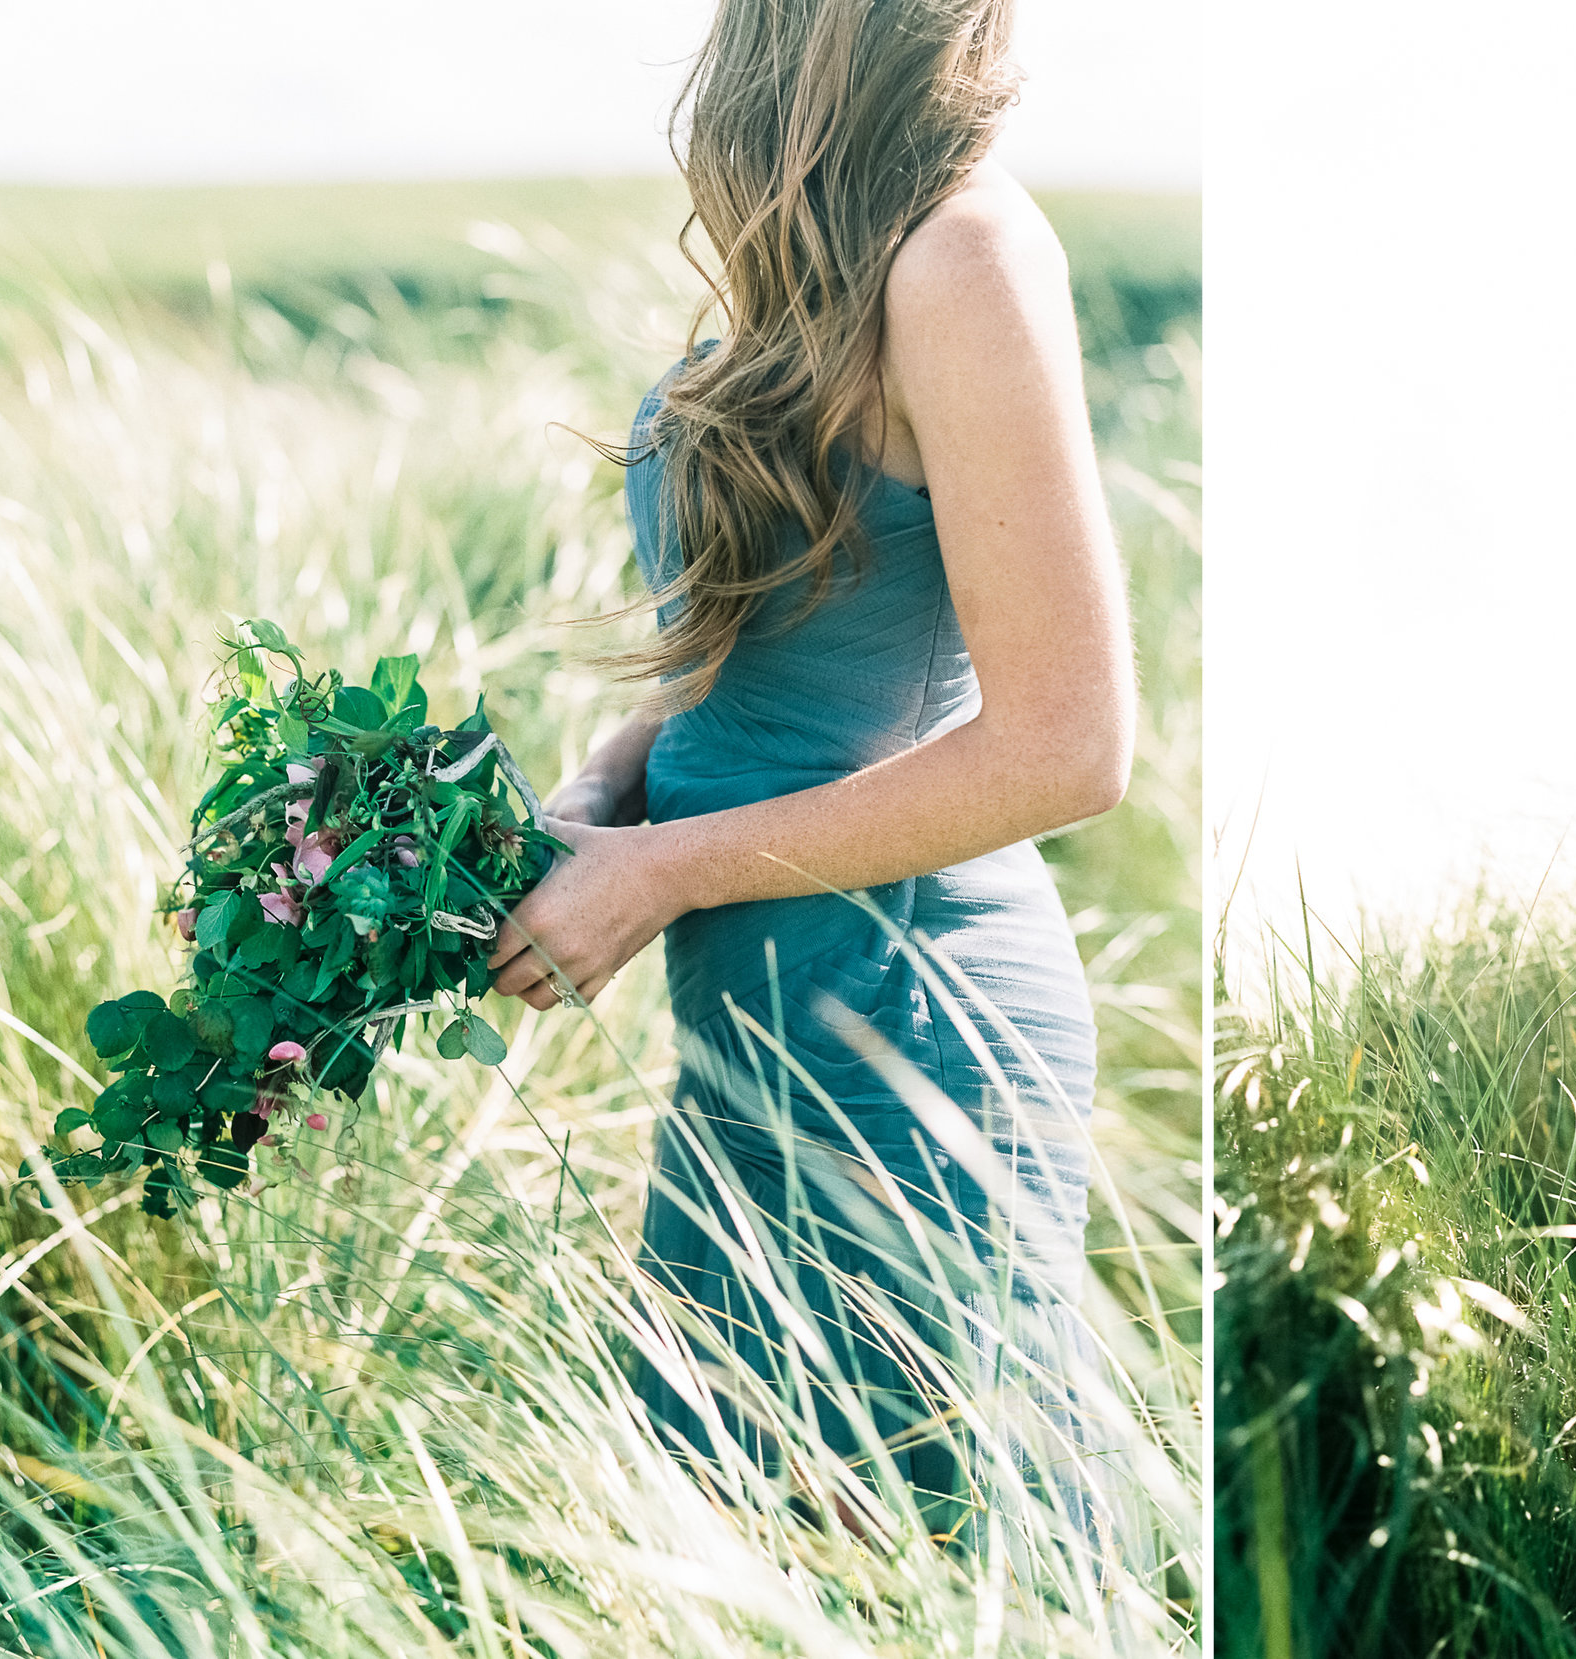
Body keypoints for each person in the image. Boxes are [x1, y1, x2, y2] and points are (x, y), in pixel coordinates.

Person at [480, 0, 1134, 1550]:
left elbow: (1070, 743)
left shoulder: (965, 251)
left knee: (896, 1565)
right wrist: (614, 790)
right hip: (750, 1020)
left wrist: (661, 872)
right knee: (732, 1561)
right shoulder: (840, 239)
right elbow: (785, 666)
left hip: (906, 1021)